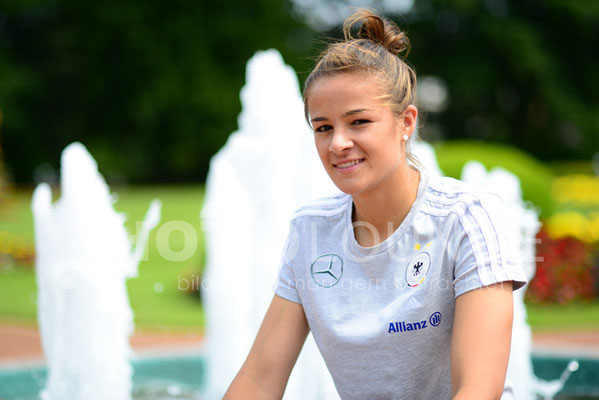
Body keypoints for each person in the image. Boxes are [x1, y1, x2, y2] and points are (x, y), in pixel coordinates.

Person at [224, 9, 527, 400]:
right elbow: (259, 381)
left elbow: (477, 390)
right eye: (323, 127)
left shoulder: (466, 217)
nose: (338, 143)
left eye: (359, 121)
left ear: (406, 123)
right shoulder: (310, 229)